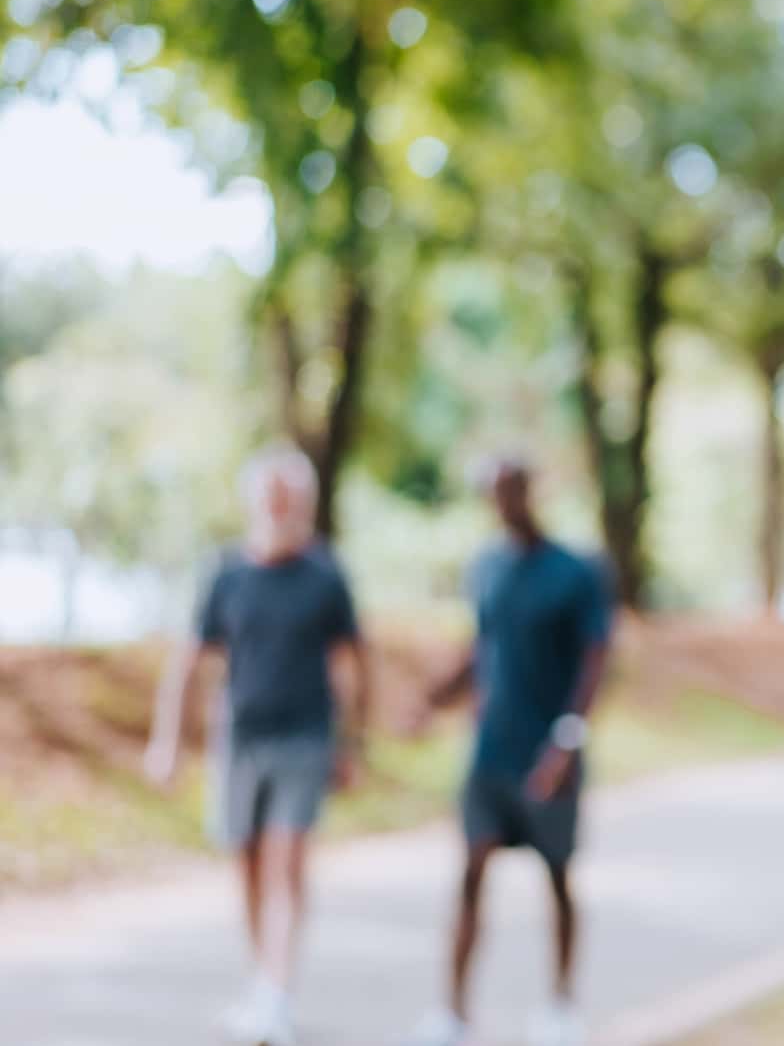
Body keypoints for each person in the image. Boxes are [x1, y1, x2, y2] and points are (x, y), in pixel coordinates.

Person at [145, 445, 371, 1046]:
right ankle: (262, 985)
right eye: (269, 494)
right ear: (253, 501)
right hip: (239, 736)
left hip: (305, 737)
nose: (279, 505)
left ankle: (277, 992)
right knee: (245, 863)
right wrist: (167, 741)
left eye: (289, 495)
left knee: (286, 860)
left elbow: (351, 665)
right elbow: (189, 661)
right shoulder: (227, 573)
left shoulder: (326, 576)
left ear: (304, 502)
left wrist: (352, 744)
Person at [405, 456, 611, 1046]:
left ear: (527, 490)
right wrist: (431, 699)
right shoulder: (488, 567)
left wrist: (567, 740)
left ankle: (562, 1006)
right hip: (491, 750)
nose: (501, 502)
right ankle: (453, 1014)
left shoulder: (575, 571)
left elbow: (596, 659)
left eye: (509, 490)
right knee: (470, 869)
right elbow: (483, 649)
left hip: (550, 752)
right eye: (491, 493)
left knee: (556, 876)